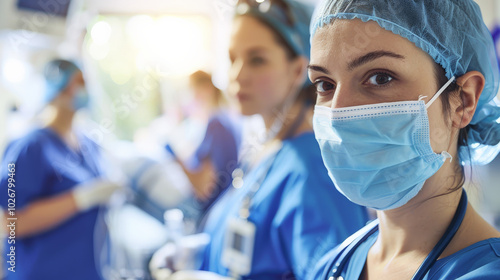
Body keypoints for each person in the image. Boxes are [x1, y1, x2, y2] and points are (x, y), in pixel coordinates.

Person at [308, 0, 500, 279]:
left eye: (380, 78)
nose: (338, 114)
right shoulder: (332, 267)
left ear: (464, 101)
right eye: (325, 84)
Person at [197, 0, 369, 279]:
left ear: (298, 70)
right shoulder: (267, 149)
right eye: (232, 58)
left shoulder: (312, 169)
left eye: (256, 59)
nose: (237, 75)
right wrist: (200, 253)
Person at [0, 59, 121, 280]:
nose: (85, 89)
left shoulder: (88, 145)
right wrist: (79, 200)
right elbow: (8, 223)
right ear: (59, 88)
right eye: (79, 82)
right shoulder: (31, 147)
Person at [166, 70, 242, 218]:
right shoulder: (225, 119)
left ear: (205, 88)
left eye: (191, 89)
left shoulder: (217, 124)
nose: (190, 96)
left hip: (212, 212)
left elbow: (203, 188)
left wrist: (175, 157)